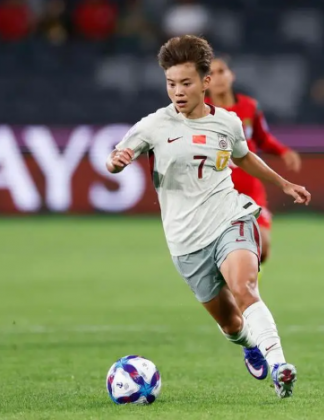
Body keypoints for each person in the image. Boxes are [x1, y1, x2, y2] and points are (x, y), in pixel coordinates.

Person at [106, 35, 310, 399]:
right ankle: (250, 344)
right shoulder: (154, 125)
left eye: (185, 83)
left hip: (229, 217)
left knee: (245, 288)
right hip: (185, 241)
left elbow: (244, 156)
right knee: (231, 323)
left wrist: (283, 183)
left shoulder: (228, 122)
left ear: (206, 82)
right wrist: (116, 162)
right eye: (171, 83)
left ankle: (280, 367)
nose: (178, 91)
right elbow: (118, 156)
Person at [206, 57, 302, 266]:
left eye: (221, 71)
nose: (218, 78)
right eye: (211, 73)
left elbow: (262, 138)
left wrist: (283, 151)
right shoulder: (200, 112)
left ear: (232, 75)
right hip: (216, 191)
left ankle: (243, 276)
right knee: (221, 252)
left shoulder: (250, 107)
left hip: (250, 188)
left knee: (263, 248)